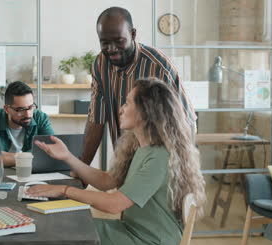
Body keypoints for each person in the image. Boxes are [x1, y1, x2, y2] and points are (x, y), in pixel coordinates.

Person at [27, 78, 206, 245]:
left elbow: (114, 205)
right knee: (66, 228)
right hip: (133, 234)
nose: (120, 108)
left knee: (65, 232)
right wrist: (68, 157)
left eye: (127, 103)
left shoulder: (159, 158)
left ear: (145, 111)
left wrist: (64, 190)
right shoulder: (143, 149)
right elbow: (107, 181)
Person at [80, 6, 197, 168]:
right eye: (104, 43)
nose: (111, 49)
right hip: (124, 161)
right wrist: (82, 167)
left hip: (158, 164)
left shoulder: (159, 67)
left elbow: (186, 122)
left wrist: (184, 172)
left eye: (118, 41)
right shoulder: (100, 65)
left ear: (133, 34)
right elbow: (96, 120)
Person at [0, 81, 54, 167]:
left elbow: (54, 150)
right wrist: (23, 159)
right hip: (2, 177)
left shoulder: (40, 118)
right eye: (20, 110)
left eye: (31, 107)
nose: (28, 114)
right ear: (7, 109)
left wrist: (2, 157)